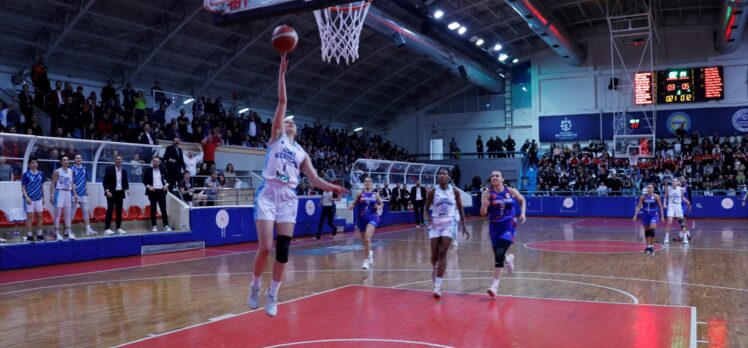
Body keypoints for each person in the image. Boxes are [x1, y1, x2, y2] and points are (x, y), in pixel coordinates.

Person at [247, 54, 346, 317]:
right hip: (268, 193)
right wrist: (281, 73)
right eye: (286, 121)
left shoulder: (302, 153)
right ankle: (255, 285)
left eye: (293, 122)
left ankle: (273, 294)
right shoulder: (275, 138)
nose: (289, 123)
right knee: (266, 247)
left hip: (289, 197)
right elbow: (282, 101)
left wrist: (332, 188)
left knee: (282, 250)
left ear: (297, 131)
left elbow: (314, 180)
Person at [424, 168, 469, 298]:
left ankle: (437, 286)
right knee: (434, 256)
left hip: (449, 223)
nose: (442, 176)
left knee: (443, 251)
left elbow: (460, 208)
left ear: (449, 177)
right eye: (440, 174)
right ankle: (434, 267)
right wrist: (426, 220)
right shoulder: (433, 191)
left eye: (444, 174)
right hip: (436, 223)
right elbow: (426, 208)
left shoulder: (454, 191)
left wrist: (464, 225)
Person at [480, 170, 526, 297]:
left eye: (497, 176)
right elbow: (483, 213)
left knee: (499, 253)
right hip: (494, 227)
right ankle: (509, 259)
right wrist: (484, 207)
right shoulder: (487, 193)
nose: (494, 177)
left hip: (508, 225)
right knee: (499, 254)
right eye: (492, 176)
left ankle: (494, 287)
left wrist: (522, 213)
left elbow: (522, 200)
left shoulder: (510, 191)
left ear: (502, 179)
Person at [349, 177, 382, 270]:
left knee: (367, 238)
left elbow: (381, 204)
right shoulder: (360, 193)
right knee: (364, 242)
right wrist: (351, 206)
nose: (367, 183)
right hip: (361, 218)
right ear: (364, 184)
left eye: (369, 181)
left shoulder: (375, 194)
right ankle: (370, 252)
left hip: (372, 217)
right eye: (366, 181)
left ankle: (366, 261)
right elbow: (354, 203)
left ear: (372, 184)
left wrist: (378, 206)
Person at [50, 156, 78, 241]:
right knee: (58, 214)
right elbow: (52, 184)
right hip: (59, 192)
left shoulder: (71, 171)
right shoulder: (57, 171)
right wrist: (51, 195)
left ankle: (69, 232)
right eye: (64, 160)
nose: (66, 161)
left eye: (67, 160)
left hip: (68, 193)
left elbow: (72, 183)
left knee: (67, 214)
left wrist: (75, 194)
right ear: (61, 162)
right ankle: (57, 233)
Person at [633, 183, 665, 254]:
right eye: (648, 188)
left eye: (651, 188)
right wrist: (635, 215)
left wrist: (662, 216)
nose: (649, 189)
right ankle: (648, 246)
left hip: (654, 214)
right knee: (647, 231)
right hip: (645, 214)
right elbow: (638, 206)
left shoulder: (656, 196)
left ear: (653, 189)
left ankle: (652, 246)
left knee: (652, 230)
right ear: (646, 189)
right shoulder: (643, 197)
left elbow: (660, 207)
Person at [143, 156, 171, 232]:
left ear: (159, 162)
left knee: (163, 209)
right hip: (152, 192)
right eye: (154, 161)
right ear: (152, 162)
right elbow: (144, 180)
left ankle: (166, 225)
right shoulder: (148, 170)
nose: (156, 162)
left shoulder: (163, 170)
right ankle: (154, 226)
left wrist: (167, 185)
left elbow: (168, 179)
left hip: (161, 191)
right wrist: (148, 186)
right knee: (153, 209)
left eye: (157, 161)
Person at [103, 155, 129, 235]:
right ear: (115, 161)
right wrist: (107, 191)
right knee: (110, 210)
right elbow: (105, 181)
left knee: (119, 211)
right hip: (111, 193)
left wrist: (127, 189)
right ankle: (106, 229)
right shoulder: (109, 169)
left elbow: (125, 182)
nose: (119, 161)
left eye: (120, 159)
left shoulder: (124, 171)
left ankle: (118, 228)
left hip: (120, 193)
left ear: (122, 161)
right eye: (117, 159)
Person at [21, 158, 45, 242]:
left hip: (38, 198)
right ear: (29, 165)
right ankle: (29, 235)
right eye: (32, 162)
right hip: (29, 199)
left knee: (40, 216)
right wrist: (26, 197)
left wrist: (43, 197)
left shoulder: (41, 174)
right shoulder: (26, 174)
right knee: (30, 217)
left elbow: (41, 186)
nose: (34, 164)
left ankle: (39, 234)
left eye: (36, 162)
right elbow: (23, 188)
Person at [72, 154, 96, 235]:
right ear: (75, 160)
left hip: (83, 194)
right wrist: (74, 191)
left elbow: (85, 181)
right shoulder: (72, 169)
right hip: (74, 194)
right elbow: (71, 182)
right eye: (77, 158)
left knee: (85, 212)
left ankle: (88, 229)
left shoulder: (84, 168)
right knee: (72, 213)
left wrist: (87, 190)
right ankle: (67, 230)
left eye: (80, 158)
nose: (78, 159)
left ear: (82, 159)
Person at [664, 179, 691, 244]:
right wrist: (664, 203)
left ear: (677, 182)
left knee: (682, 223)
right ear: (672, 182)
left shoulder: (681, 189)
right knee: (669, 222)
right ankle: (666, 238)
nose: (674, 182)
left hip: (678, 206)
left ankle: (685, 238)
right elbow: (665, 197)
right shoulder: (668, 189)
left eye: (676, 181)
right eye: (673, 181)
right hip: (671, 205)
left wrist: (687, 201)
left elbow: (682, 197)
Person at [674, 176, 693, 242]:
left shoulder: (688, 186)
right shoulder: (678, 187)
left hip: (685, 205)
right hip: (679, 205)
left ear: (685, 179)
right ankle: (688, 235)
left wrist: (690, 205)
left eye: (682, 178)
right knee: (682, 221)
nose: (681, 179)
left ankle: (681, 236)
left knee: (682, 220)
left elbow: (690, 197)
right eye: (680, 178)